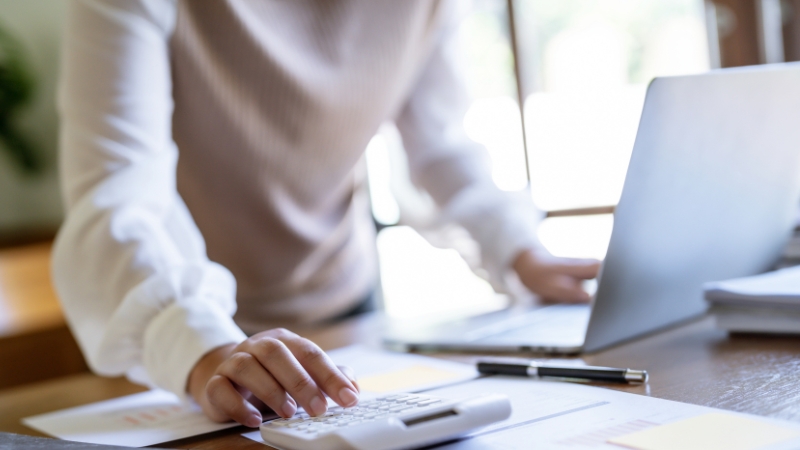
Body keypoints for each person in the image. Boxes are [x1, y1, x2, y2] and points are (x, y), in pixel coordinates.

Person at [53, 0, 600, 428]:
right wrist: (201, 347)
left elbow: (440, 145)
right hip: (184, 339)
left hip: (344, 317)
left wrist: (522, 252)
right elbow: (117, 189)